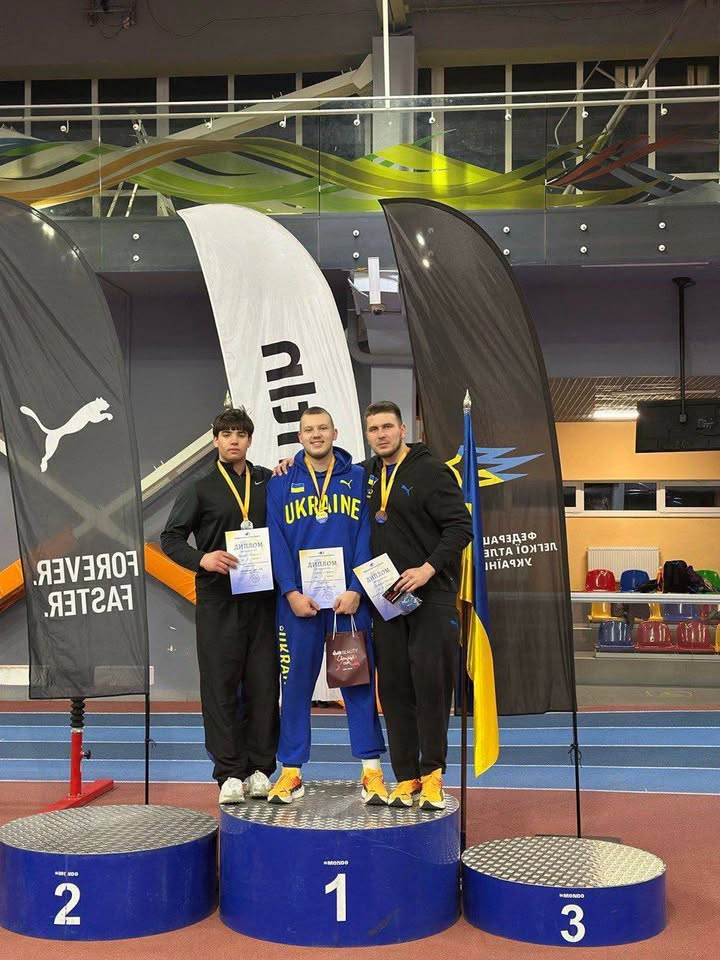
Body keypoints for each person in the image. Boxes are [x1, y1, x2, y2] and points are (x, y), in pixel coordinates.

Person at [265, 406, 386, 805]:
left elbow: (366, 535)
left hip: (347, 603)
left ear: (335, 432)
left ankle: (371, 770)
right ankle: (291, 772)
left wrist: (357, 589)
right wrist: (289, 592)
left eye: (322, 428)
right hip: (299, 605)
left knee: (357, 683)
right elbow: (276, 541)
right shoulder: (280, 482)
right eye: (308, 430)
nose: (316, 434)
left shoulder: (359, 479)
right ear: (299, 437)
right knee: (295, 687)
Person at [160, 407, 278, 805]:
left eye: (240, 434)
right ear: (215, 441)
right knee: (220, 686)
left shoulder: (267, 481)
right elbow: (171, 538)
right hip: (218, 600)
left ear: (250, 440)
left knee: (263, 684)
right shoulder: (200, 488)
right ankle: (228, 772)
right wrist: (203, 559)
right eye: (226, 434)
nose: (233, 440)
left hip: (262, 599)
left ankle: (261, 769)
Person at [364, 400, 472, 811]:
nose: (381, 435)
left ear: (403, 429)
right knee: (394, 690)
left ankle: (433, 776)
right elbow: (327, 466)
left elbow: (460, 527)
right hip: (387, 600)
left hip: (431, 596)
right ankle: (406, 776)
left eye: (387, 427)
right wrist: (289, 464)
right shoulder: (367, 474)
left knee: (431, 688)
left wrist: (427, 569)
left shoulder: (432, 471)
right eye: (373, 429)